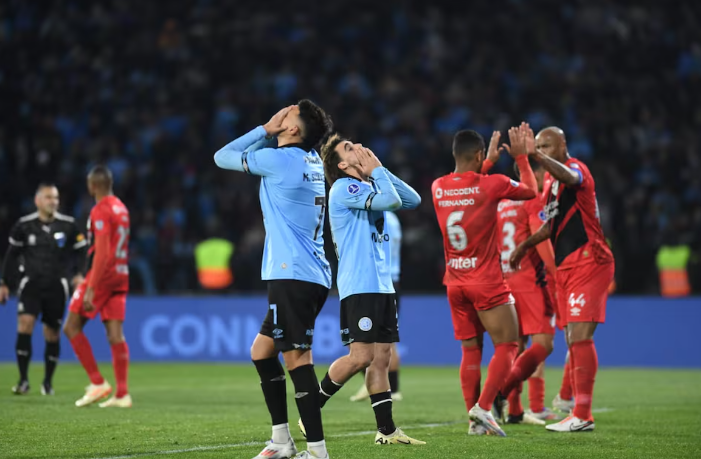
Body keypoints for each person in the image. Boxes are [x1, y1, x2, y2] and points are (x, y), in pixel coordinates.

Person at [214, 100, 333, 459]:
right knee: (262, 352)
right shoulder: (311, 160)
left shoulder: (280, 160)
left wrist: (265, 130)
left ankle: (317, 452)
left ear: (293, 129)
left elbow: (222, 156)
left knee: (297, 358)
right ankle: (281, 440)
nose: (281, 116)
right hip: (308, 272)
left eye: (287, 115)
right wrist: (273, 134)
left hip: (292, 273)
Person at [308, 134, 424, 446]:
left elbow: (413, 200)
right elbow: (393, 202)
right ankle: (310, 410)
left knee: (381, 358)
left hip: (382, 285)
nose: (357, 147)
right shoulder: (344, 187)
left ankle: (386, 430)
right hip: (360, 285)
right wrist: (377, 172)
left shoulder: (369, 184)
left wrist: (378, 169)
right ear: (342, 165)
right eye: (349, 148)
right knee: (360, 357)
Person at [431, 126, 538, 437]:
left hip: (455, 282)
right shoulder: (494, 184)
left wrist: (486, 162)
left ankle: (474, 422)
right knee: (508, 344)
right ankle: (484, 407)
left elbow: (467, 186)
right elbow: (530, 191)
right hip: (486, 281)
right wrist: (521, 158)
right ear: (478, 155)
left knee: (470, 350)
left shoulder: (438, 187)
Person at [510, 125, 615, 432]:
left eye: (547, 146)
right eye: (538, 146)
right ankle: (573, 406)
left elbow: (572, 178)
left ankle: (581, 413)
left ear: (562, 145)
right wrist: (525, 246)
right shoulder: (552, 185)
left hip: (589, 259)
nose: (542, 150)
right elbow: (551, 225)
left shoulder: (575, 168)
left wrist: (535, 156)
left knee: (579, 337)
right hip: (567, 266)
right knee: (572, 338)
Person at [483, 154, 560, 424]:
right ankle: (501, 392)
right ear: (535, 174)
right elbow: (542, 242)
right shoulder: (532, 200)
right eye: (545, 174)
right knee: (544, 344)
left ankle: (515, 411)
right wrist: (557, 274)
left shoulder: (501, 202)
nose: (548, 179)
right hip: (531, 281)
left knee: (516, 347)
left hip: (505, 279)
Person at [0, 184, 86, 395]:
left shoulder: (69, 225)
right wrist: (3, 283)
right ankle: (23, 380)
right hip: (31, 284)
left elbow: (82, 252)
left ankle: (47, 382)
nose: (53, 201)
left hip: (57, 286)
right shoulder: (24, 226)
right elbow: (11, 256)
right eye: (48, 197)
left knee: (52, 333)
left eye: (55, 197)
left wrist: (79, 274)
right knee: (25, 324)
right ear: (37, 201)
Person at [63, 166, 132, 408]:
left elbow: (102, 251)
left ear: (92, 186)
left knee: (71, 327)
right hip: (121, 274)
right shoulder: (121, 208)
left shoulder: (100, 209)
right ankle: (122, 394)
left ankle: (97, 382)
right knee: (115, 335)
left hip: (103, 275)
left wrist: (91, 287)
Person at [349, 210, 403, 403]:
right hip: (391, 281)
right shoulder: (393, 219)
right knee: (384, 340)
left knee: (367, 341)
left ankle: (384, 386)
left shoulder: (374, 216)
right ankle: (385, 386)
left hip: (377, 281)